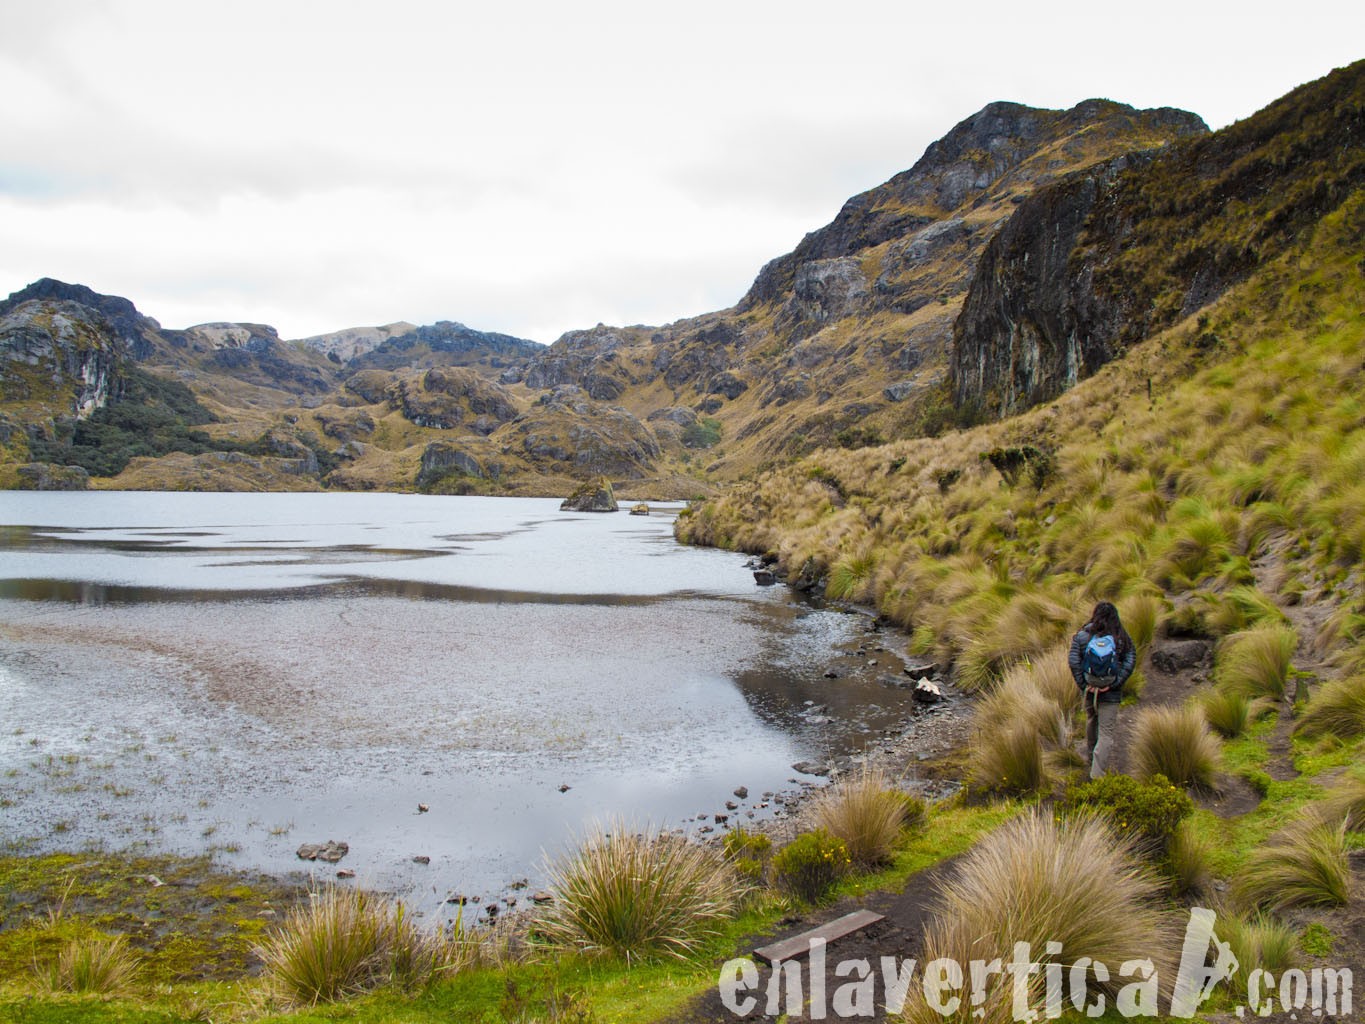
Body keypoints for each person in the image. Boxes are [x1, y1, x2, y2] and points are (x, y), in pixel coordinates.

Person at [1068, 601, 1137, 778]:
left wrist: (1084, 685)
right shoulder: (1120, 637)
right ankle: (1097, 775)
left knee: (1092, 721)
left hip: (1090, 691)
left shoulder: (1083, 636)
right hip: (1111, 694)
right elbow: (1131, 658)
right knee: (1106, 732)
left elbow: (1074, 660)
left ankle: (1091, 760)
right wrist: (1115, 683)